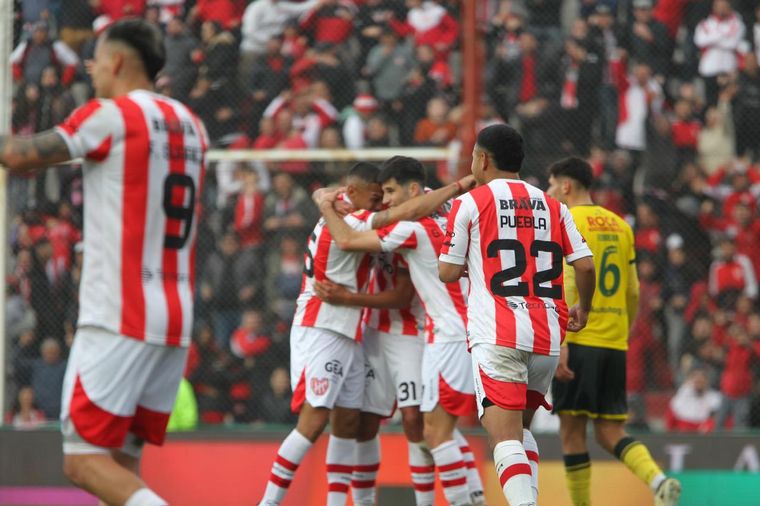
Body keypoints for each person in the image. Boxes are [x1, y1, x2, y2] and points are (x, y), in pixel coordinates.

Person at [0, 19, 207, 506]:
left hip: (118, 313)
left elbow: (18, 155)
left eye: (96, 58)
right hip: (173, 315)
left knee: (81, 460)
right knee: (120, 465)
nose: (90, 69)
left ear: (116, 62)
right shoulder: (191, 124)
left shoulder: (110, 116)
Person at [260, 162, 473, 506]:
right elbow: (393, 217)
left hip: (354, 329)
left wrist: (322, 198)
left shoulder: (341, 205)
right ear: (354, 193)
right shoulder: (352, 218)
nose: (381, 204)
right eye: (377, 196)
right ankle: (268, 502)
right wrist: (461, 183)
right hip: (324, 326)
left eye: (385, 194)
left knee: (350, 421)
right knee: (313, 423)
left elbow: (416, 203)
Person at [436, 126, 595, 506]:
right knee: (521, 433)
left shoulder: (471, 203)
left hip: (499, 334)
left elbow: (446, 271)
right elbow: (586, 266)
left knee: (504, 437)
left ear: (482, 160)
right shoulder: (553, 205)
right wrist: (584, 308)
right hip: (547, 335)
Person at [545, 157, 681, 506]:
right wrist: (623, 330)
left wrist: (560, 339)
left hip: (577, 340)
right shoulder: (621, 226)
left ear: (566, 186)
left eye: (551, 185)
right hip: (614, 343)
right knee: (610, 432)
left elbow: (570, 279)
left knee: (572, 433)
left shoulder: (565, 219)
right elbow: (633, 289)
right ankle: (658, 479)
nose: (548, 192)